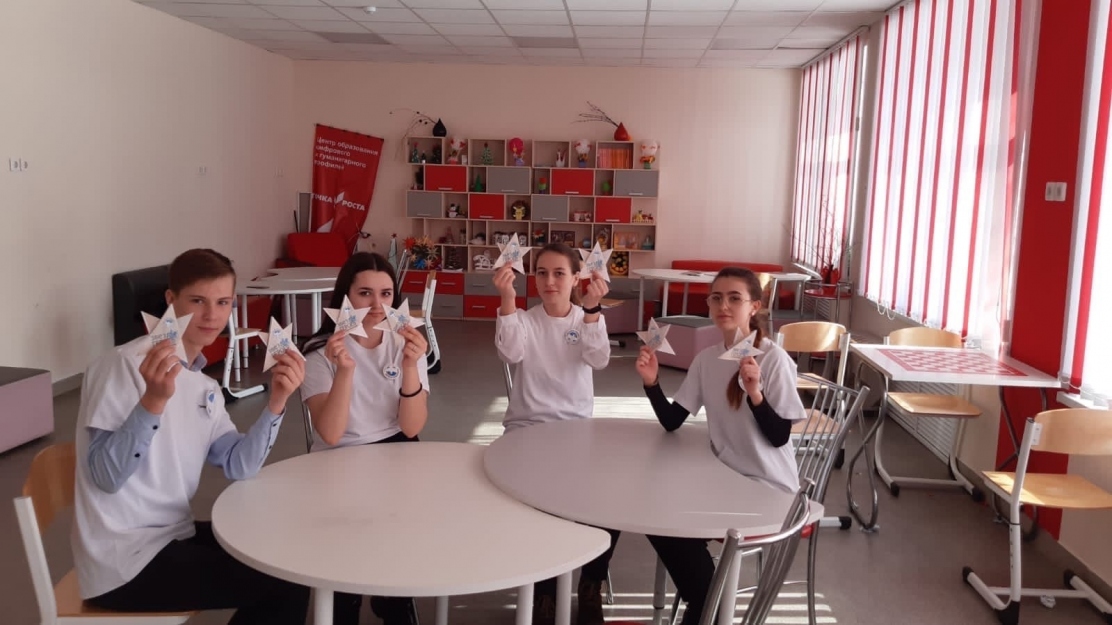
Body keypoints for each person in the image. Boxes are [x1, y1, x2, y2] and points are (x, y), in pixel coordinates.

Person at [73, 248, 309, 624]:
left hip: (174, 536)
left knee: (286, 557)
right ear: (171, 300)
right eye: (198, 301)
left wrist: (276, 403)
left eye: (222, 302)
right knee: (285, 582)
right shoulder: (121, 365)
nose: (211, 315)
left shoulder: (204, 387)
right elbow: (105, 476)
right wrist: (152, 402)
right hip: (124, 561)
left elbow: (239, 465)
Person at [634, 266, 807, 623]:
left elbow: (779, 437)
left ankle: (704, 606)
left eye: (734, 298)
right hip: (724, 480)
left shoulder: (773, 359)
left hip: (767, 487)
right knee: (654, 517)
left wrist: (755, 393)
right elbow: (673, 420)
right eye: (716, 298)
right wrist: (652, 384)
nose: (723, 306)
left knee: (674, 528)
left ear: (754, 306)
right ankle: (707, 602)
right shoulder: (706, 359)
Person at [300, 251, 429, 625]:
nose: (376, 304)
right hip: (340, 453)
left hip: (397, 446)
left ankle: (395, 596)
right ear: (345, 297)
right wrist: (345, 370)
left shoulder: (406, 343)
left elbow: (411, 428)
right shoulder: (320, 353)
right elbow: (331, 433)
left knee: (405, 524)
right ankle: (346, 600)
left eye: (386, 294)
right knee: (347, 541)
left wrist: (410, 366)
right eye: (364, 293)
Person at [493, 242, 612, 625]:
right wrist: (507, 298)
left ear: (577, 278)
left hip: (575, 430)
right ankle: (544, 592)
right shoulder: (524, 319)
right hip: (527, 429)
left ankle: (591, 584)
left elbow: (599, 359)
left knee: (609, 501)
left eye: (560, 273)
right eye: (541, 272)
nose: (549, 281)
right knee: (538, 505)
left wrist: (592, 311)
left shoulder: (585, 316)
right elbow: (510, 353)